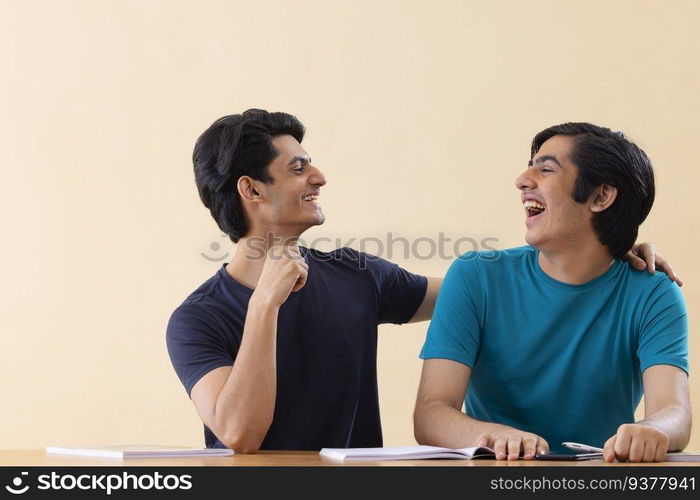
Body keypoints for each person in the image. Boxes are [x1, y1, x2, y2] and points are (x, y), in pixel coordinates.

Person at [167, 110, 677, 453]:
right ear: (252, 189)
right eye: (299, 167)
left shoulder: (355, 275)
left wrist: (605, 247)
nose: (319, 177)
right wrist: (264, 306)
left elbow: (484, 291)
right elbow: (238, 432)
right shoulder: (198, 319)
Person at [414, 123, 690, 463]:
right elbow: (431, 414)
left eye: (545, 169)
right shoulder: (475, 276)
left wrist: (654, 429)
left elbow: (674, 412)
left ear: (601, 196)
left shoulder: (653, 293)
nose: (522, 180)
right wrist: (492, 436)